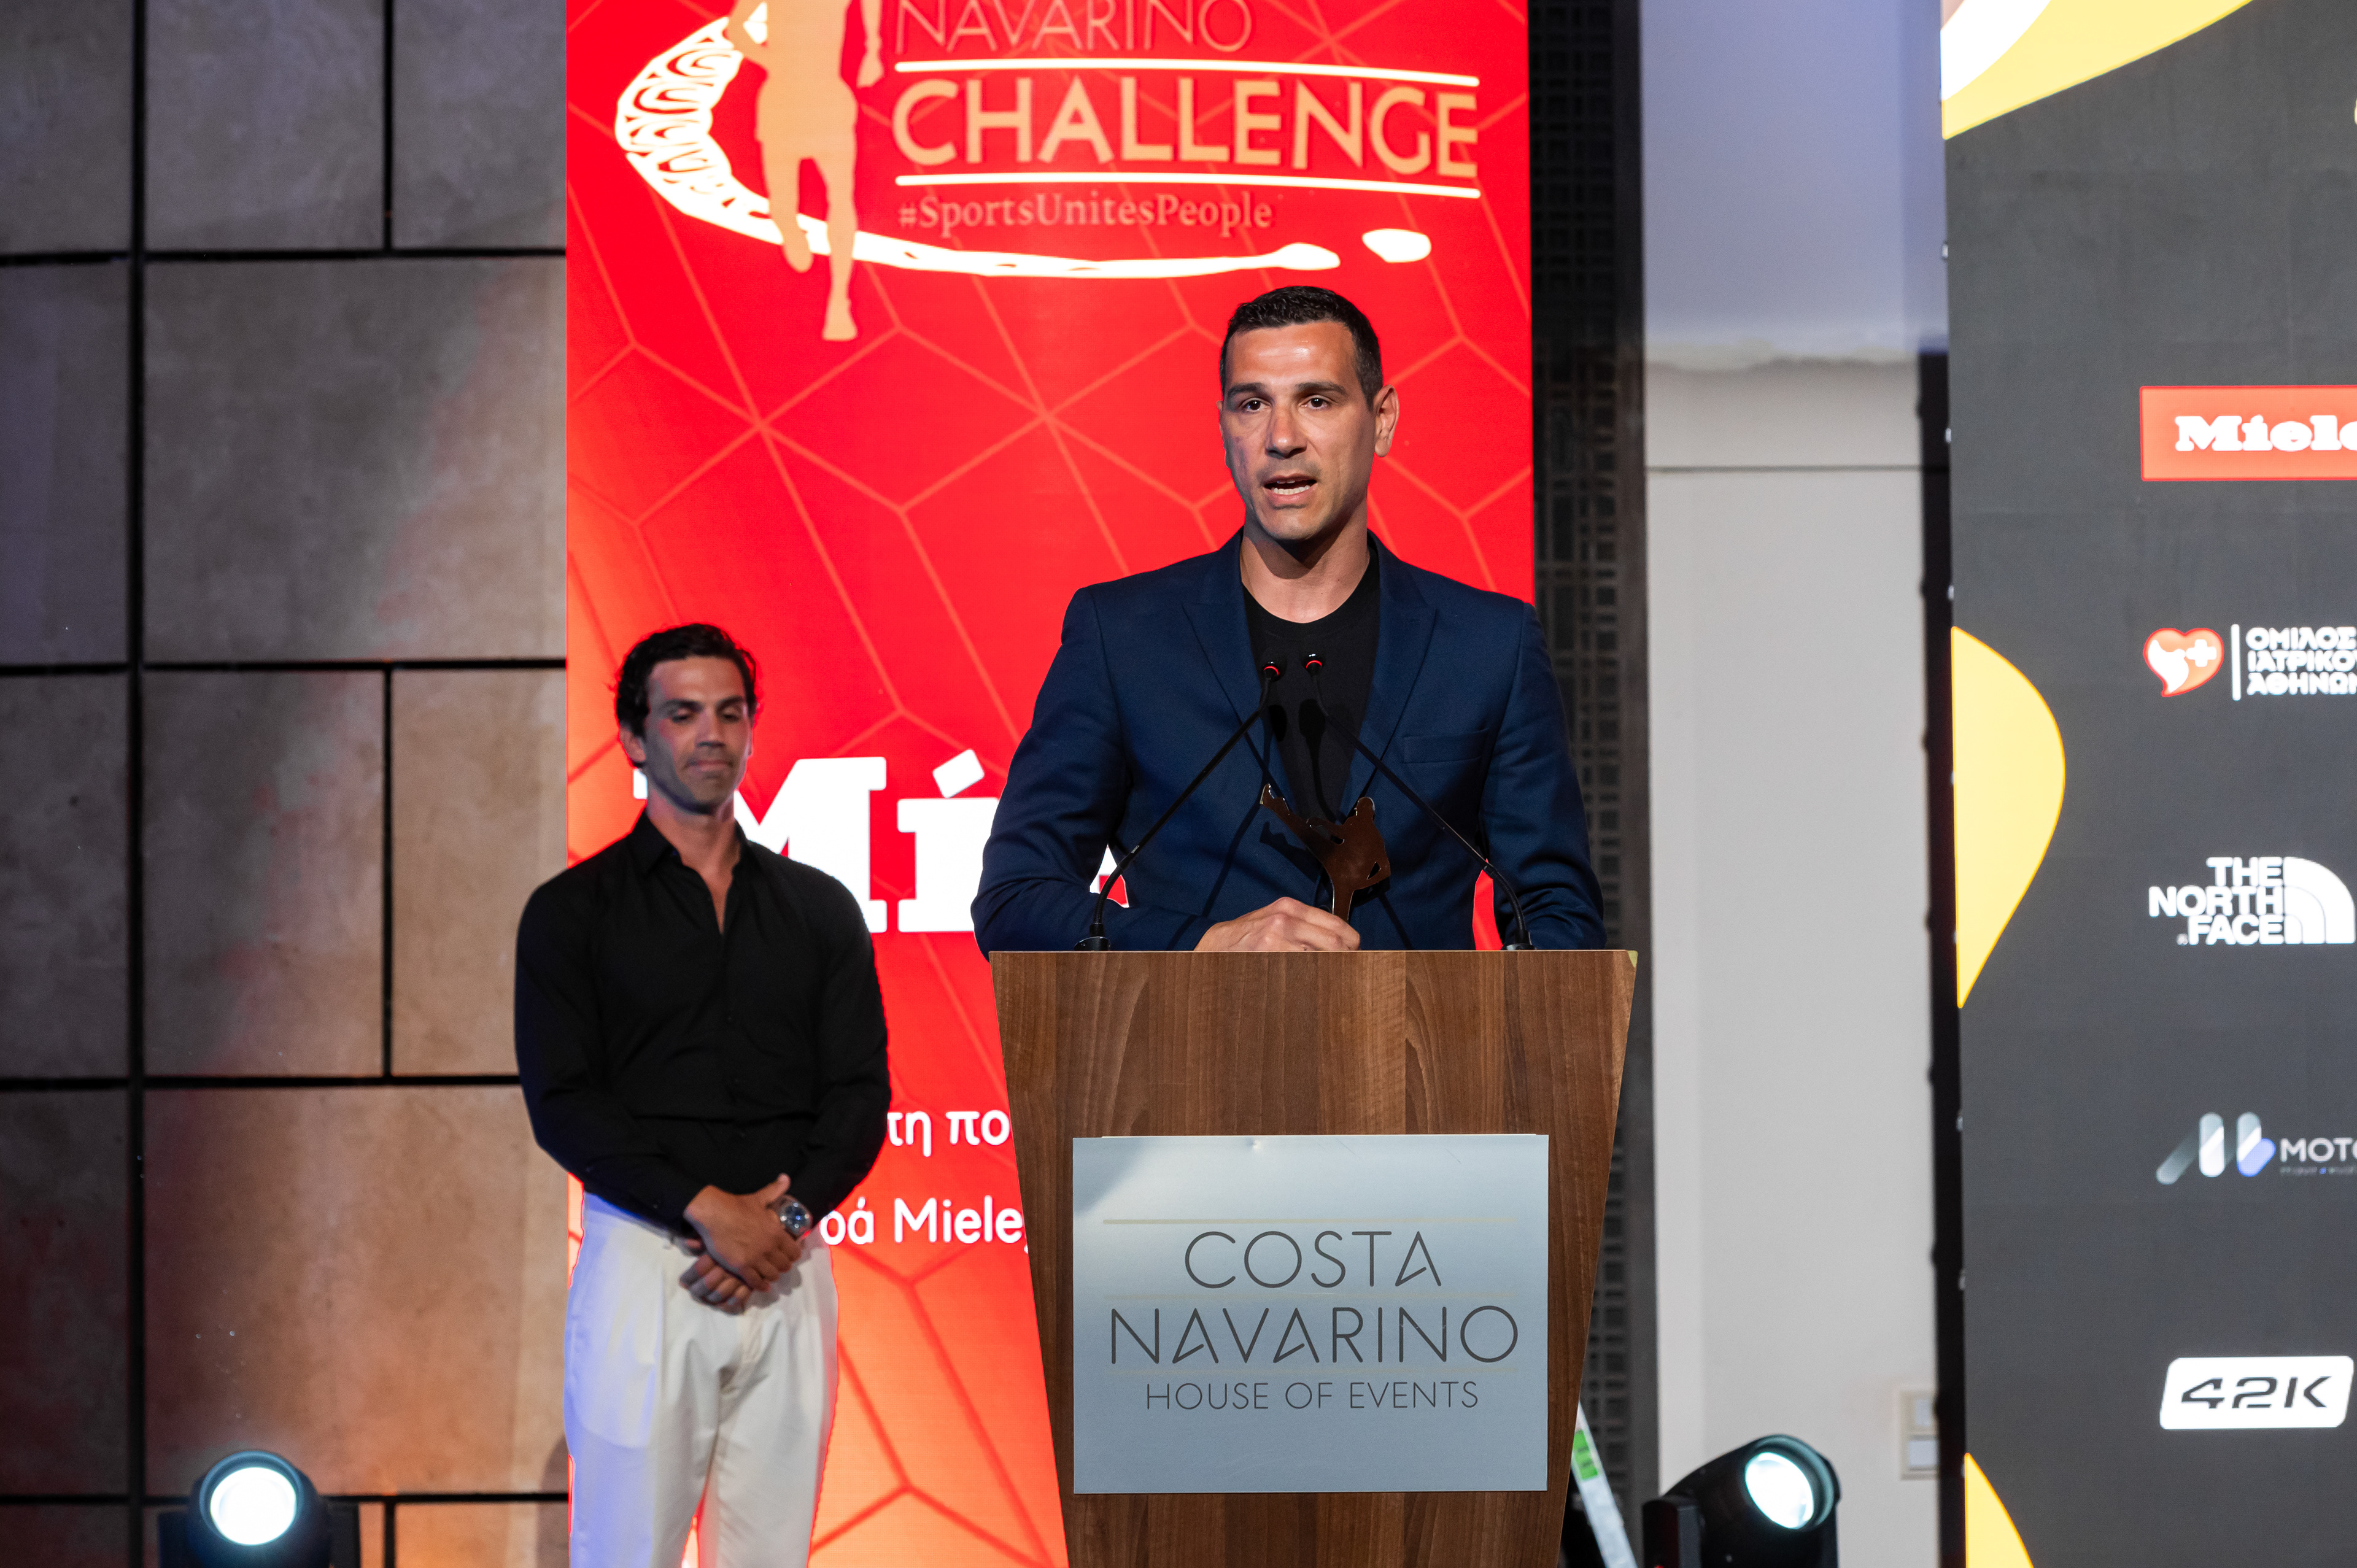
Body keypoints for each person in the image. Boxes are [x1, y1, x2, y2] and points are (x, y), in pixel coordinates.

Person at [973, 286, 1606, 953]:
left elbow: (1557, 916)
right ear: (1225, 430)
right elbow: (1017, 900)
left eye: (1317, 401)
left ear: (1382, 419)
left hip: (1418, 1025)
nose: (1281, 438)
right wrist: (1207, 947)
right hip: (1194, 1025)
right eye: (1253, 405)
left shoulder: (1489, 646)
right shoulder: (1123, 640)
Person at [516, 624, 889, 1568]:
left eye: (729, 712)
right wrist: (707, 1210)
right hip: (649, 1262)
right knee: (625, 1552)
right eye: (683, 714)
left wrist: (783, 1220)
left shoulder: (819, 907)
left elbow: (859, 1094)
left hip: (789, 1262)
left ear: (752, 730)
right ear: (634, 737)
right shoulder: (572, 911)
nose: (711, 733)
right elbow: (564, 1101)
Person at [726, 0, 881, 341]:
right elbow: (735, 28)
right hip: (782, 102)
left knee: (841, 199)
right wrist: (768, 60)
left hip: (827, 99)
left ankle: (839, 300)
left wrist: (874, 47)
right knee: (781, 206)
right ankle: (791, 232)